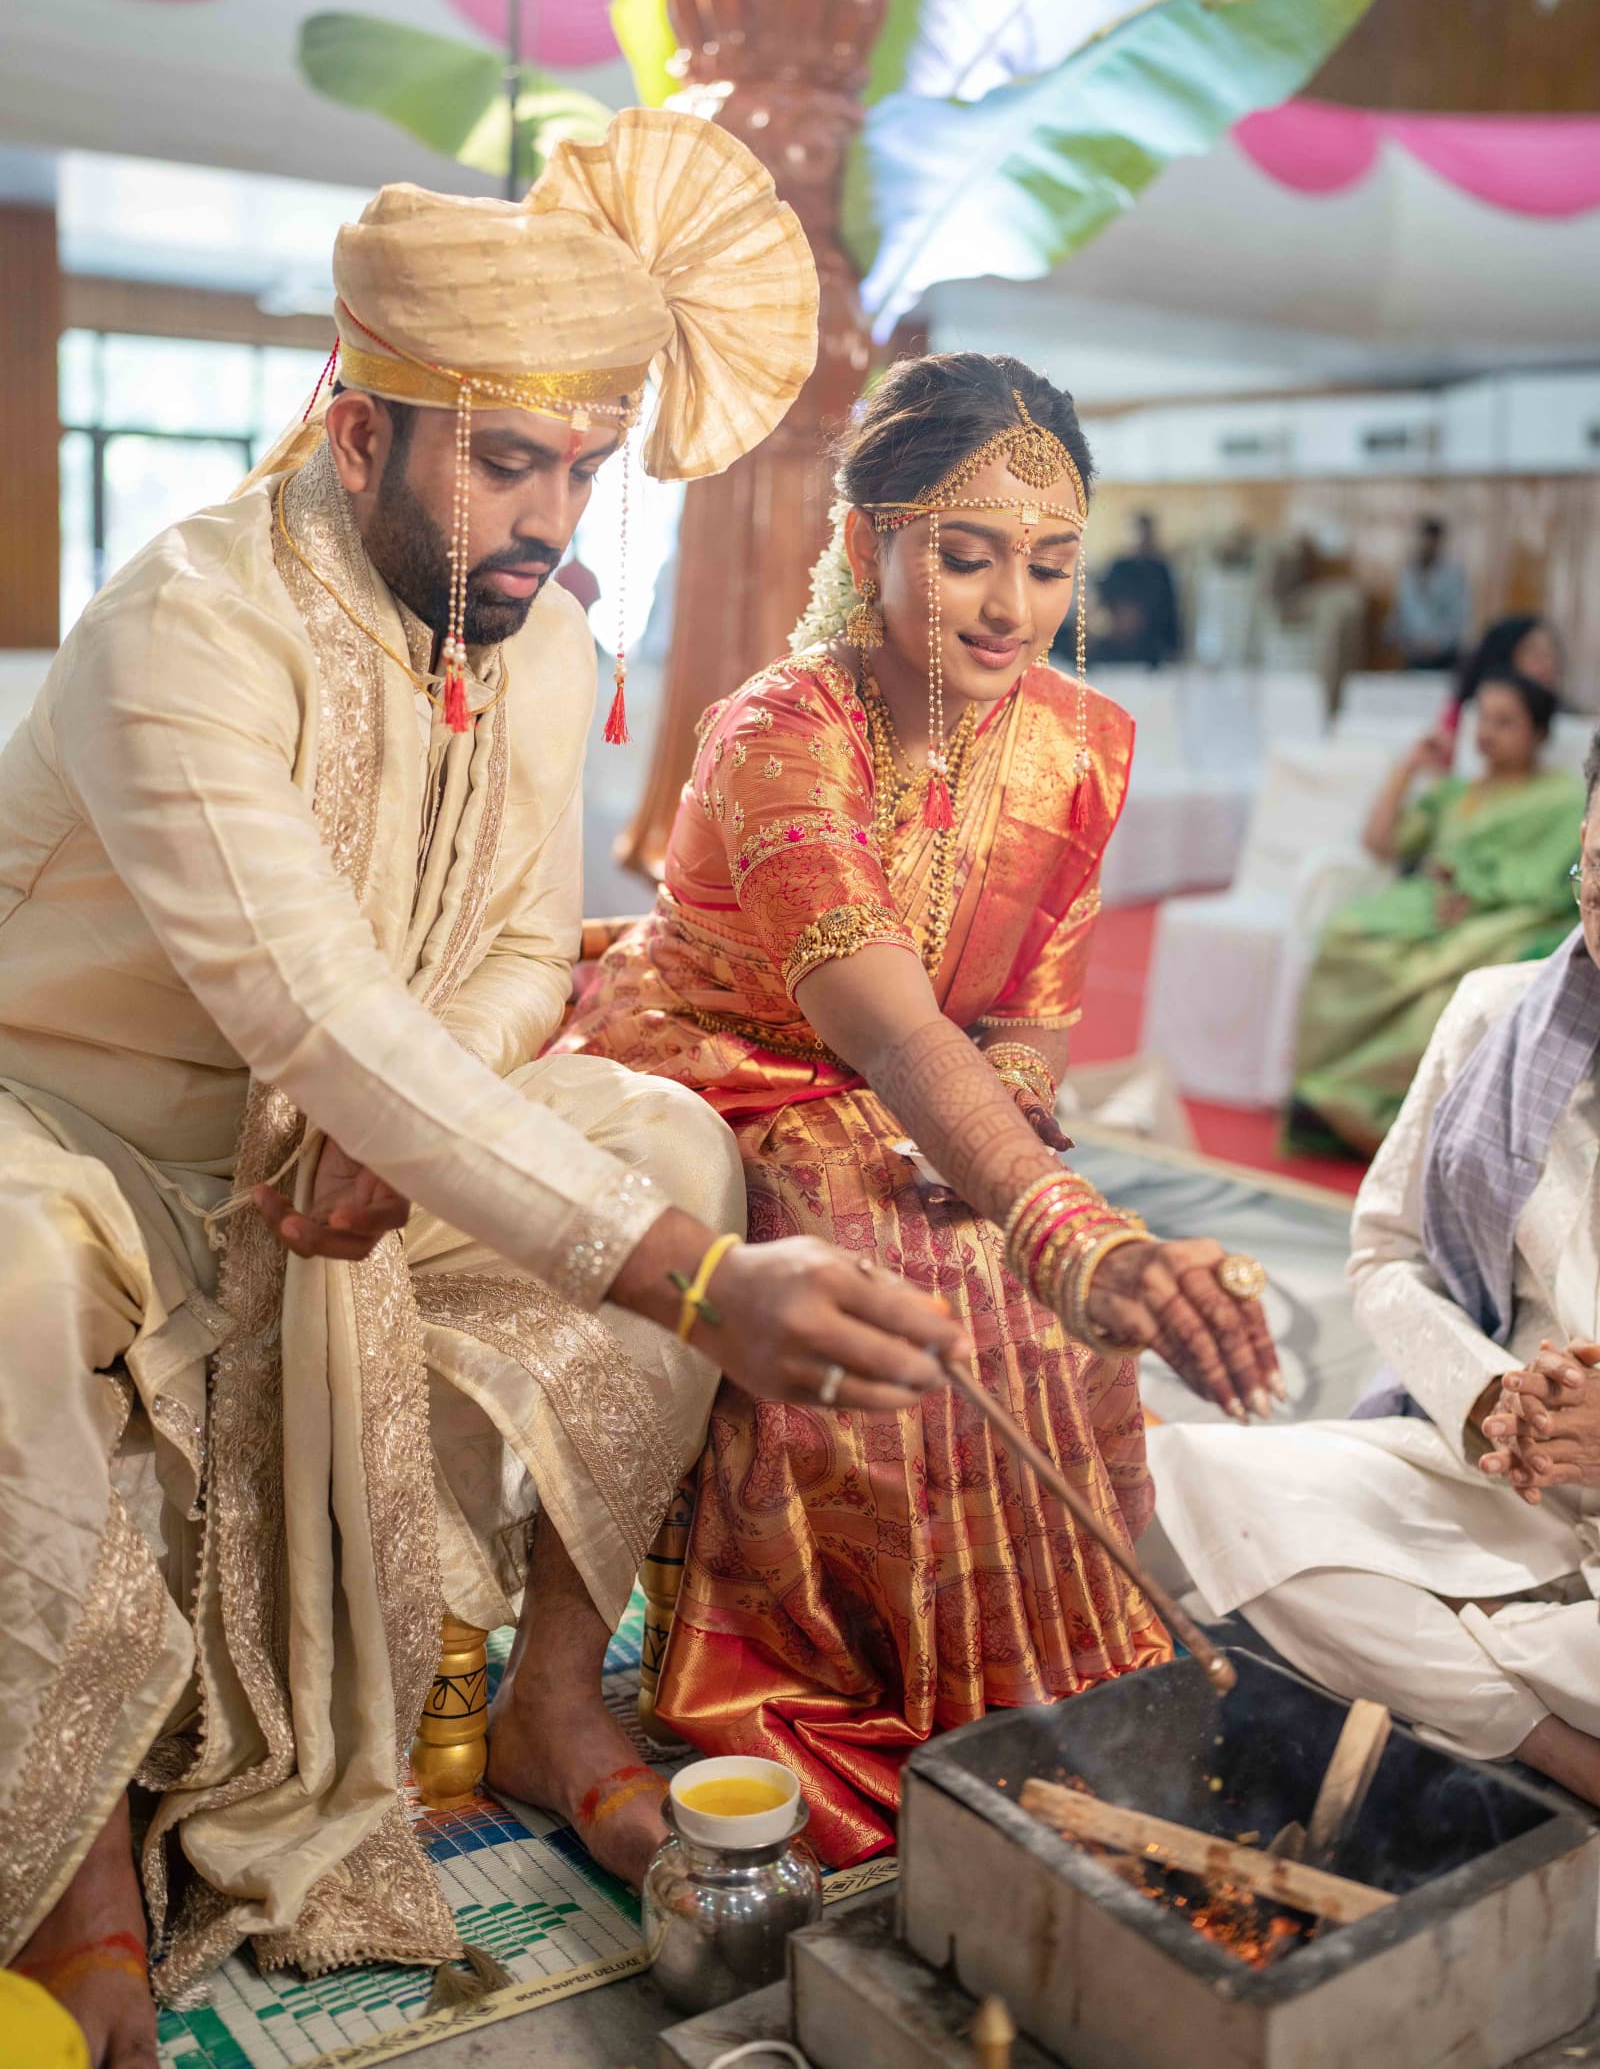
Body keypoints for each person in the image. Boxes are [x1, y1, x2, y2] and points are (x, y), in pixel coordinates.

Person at [0, 110, 969, 2069]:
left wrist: (411, 1112)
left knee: (665, 1132)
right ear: (360, 432)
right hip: (87, 1145)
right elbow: (310, 1012)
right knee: (5, 1285)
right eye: (506, 460)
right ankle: (72, 1868)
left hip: (356, 1127)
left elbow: (528, 949)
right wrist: (697, 1284)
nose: (551, 514)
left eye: (585, 466)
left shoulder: (536, 639)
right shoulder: (186, 627)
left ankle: (547, 1697)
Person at [559, 353, 1280, 1864]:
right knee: (886, 1245)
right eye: (966, 556)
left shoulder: (1081, 743)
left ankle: (1029, 1696)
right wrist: (1060, 1228)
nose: (1011, 606)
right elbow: (882, 1022)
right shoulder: (778, 730)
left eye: (1048, 565)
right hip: (730, 1060)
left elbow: (1027, 1021)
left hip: (920, 1087)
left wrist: (1010, 1127)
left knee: (1009, 1269)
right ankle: (829, 1679)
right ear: (865, 539)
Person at [1152, 730, 1600, 1809]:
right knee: (1201, 1482)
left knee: (1258, 1590)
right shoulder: (1496, 1016)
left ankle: (1459, 1658)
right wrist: (1490, 1393)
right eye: (1597, 874)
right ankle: (1554, 1738)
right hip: (1505, 1477)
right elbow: (1385, 1253)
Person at [1289, 671, 1582, 1158]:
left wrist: (1474, 888)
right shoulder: (1457, 792)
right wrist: (1407, 769)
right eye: (1483, 718)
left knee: (1443, 985)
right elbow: (1379, 843)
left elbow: (1554, 878)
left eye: (1505, 722)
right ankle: (1325, 1095)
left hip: (1505, 918)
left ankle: (1369, 1111)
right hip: (1433, 910)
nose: (1487, 732)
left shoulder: (1563, 798)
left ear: (1538, 733)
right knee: (1346, 935)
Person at [1094, 511, 1181, 668]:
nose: (1141, 539)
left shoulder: (1160, 570)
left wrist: (1174, 648)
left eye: (1145, 533)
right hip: (1117, 647)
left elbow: (1170, 612)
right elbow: (1101, 602)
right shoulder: (1118, 568)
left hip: (1150, 649)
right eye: (1137, 533)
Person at [1389, 515, 1469, 673]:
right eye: (1424, 539)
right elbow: (1402, 609)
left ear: (1439, 542)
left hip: (1443, 653)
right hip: (1414, 651)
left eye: (1432, 540)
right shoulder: (1409, 573)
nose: (1427, 545)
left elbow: (1459, 614)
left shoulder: (1453, 573)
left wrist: (1438, 642)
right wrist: (1396, 635)